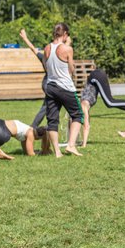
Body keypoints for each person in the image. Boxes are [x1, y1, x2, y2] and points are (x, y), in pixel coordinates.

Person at [43, 22, 83, 157]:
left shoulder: (47, 48)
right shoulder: (67, 49)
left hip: (50, 87)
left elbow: (45, 67)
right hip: (65, 87)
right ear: (65, 34)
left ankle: (57, 152)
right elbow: (71, 70)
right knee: (77, 114)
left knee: (52, 120)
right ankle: (71, 146)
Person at [77, 69, 125, 147]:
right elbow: (85, 124)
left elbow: (86, 126)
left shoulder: (83, 107)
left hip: (96, 76)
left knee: (110, 102)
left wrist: (83, 144)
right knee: (109, 103)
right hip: (96, 77)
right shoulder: (84, 105)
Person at [19, 29, 48, 128]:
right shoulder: (53, 59)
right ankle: (34, 127)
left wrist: (25, 38)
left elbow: (33, 49)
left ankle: (34, 127)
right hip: (51, 84)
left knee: (47, 106)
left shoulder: (44, 57)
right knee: (48, 106)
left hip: (46, 83)